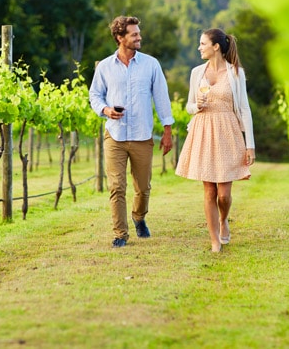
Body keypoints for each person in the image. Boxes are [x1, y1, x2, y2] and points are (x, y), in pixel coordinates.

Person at [89, 16, 175, 248]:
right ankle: (120, 234)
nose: (139, 37)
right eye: (134, 34)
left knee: (143, 188)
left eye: (138, 33)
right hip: (115, 135)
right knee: (116, 186)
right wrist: (106, 109)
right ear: (120, 37)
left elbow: (161, 98)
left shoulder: (151, 64)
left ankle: (139, 217)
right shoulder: (105, 67)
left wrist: (167, 131)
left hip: (142, 135)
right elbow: (94, 95)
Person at [175, 28, 255, 253]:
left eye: (202, 44)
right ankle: (214, 240)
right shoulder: (196, 73)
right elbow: (189, 106)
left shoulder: (236, 73)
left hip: (227, 132)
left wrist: (250, 144)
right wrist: (196, 106)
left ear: (216, 46)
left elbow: (244, 109)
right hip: (203, 130)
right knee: (209, 191)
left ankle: (223, 219)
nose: (199, 48)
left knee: (224, 194)